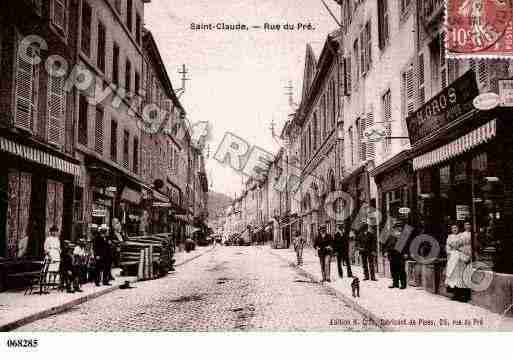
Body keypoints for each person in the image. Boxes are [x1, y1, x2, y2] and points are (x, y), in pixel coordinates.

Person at [445, 222, 472, 302]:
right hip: (453, 258)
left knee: (460, 276)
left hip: (460, 257)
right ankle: (455, 293)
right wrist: (450, 252)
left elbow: (460, 245)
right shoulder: (449, 237)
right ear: (451, 229)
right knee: (453, 275)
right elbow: (448, 247)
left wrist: (458, 248)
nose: (455, 229)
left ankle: (462, 294)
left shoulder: (461, 236)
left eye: (456, 228)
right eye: (453, 228)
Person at [385, 222, 408, 289]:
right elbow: (388, 245)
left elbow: (407, 246)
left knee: (401, 270)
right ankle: (395, 283)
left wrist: (406, 253)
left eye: (399, 227)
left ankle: (403, 284)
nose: (398, 229)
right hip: (392, 255)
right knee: (393, 270)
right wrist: (386, 251)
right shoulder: (391, 236)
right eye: (396, 228)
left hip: (400, 255)